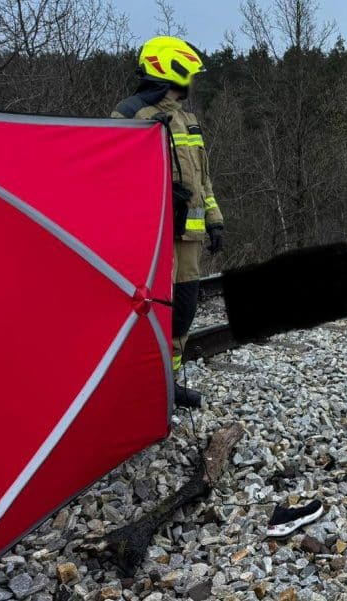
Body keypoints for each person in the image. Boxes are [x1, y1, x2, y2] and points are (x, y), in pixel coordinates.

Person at [112, 36, 224, 407]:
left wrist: (214, 220)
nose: (191, 82)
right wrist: (155, 185)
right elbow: (114, 175)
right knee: (152, 311)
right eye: (188, 74)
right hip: (153, 238)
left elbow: (203, 178)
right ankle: (140, 385)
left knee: (183, 312)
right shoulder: (130, 114)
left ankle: (168, 384)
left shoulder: (188, 119)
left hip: (188, 238)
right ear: (169, 70)